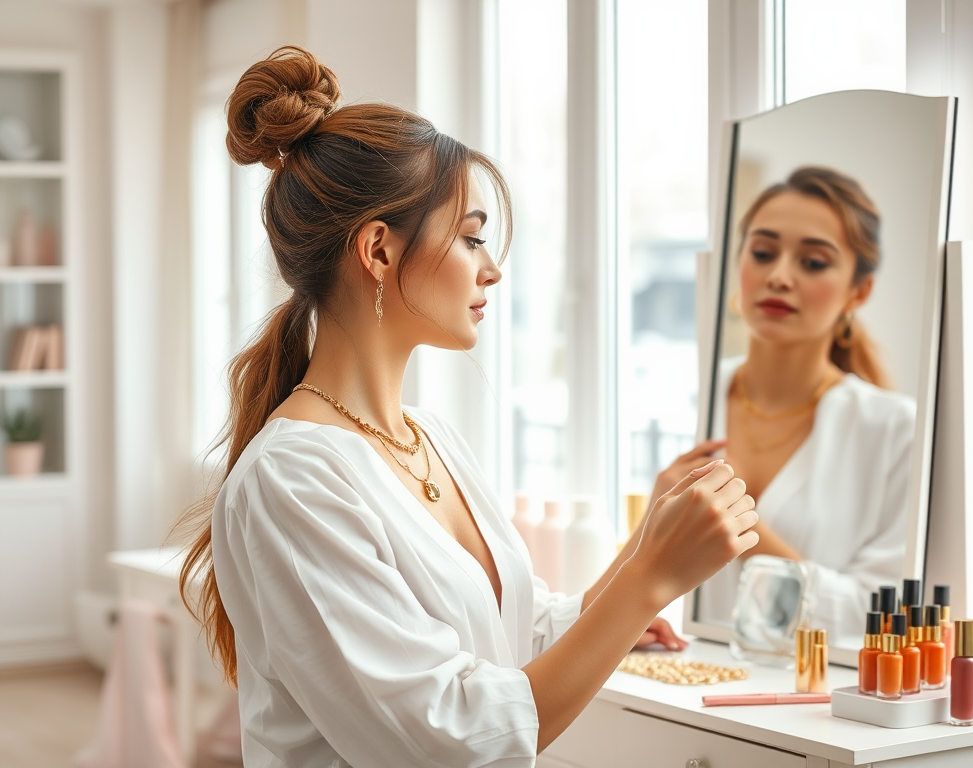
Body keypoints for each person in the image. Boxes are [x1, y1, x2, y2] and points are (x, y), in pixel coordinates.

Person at [176, 47, 758, 767]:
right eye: (472, 235)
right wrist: (649, 582)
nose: (492, 266)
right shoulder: (291, 480)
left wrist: (645, 549)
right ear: (380, 253)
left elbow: (511, 635)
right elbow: (449, 738)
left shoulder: (432, 438)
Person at [653, 167, 915, 645]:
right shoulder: (687, 398)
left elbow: (881, 618)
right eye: (763, 253)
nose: (779, 276)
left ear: (859, 292)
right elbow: (654, 588)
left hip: (817, 707)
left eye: (813, 262)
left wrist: (740, 527)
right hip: (684, 684)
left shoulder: (894, 427)